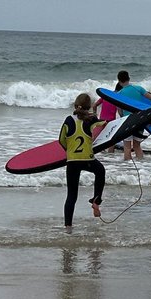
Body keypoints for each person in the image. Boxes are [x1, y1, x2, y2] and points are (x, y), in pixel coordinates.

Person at [58, 93, 106, 227]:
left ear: (75, 105)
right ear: (89, 107)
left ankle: (68, 226)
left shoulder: (68, 120)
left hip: (72, 161)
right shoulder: (92, 119)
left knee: (71, 196)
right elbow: (105, 125)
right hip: (87, 159)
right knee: (100, 171)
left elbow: (61, 140)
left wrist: (69, 151)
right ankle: (96, 200)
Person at [113, 70, 151, 161]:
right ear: (129, 78)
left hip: (127, 121)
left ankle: (128, 167)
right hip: (140, 120)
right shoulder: (138, 88)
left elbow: (120, 112)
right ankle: (141, 164)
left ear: (119, 81)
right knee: (137, 146)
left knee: (127, 146)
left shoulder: (119, 94)